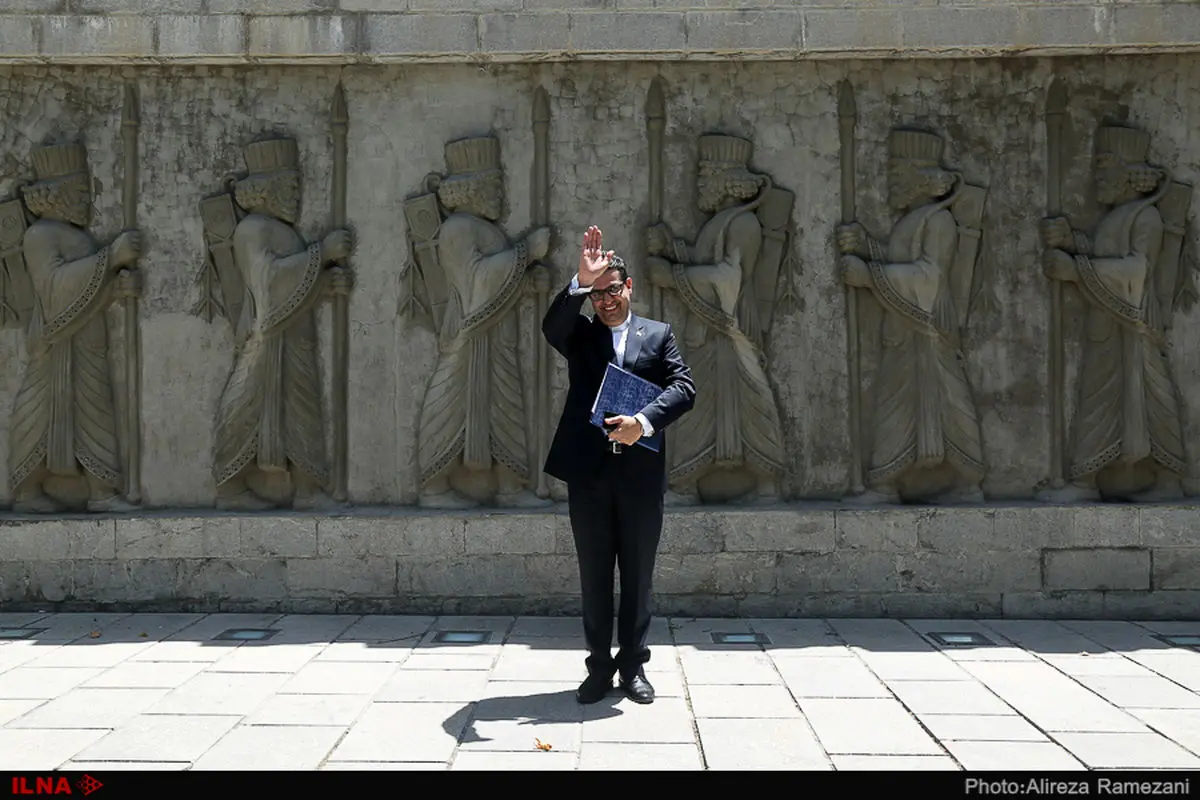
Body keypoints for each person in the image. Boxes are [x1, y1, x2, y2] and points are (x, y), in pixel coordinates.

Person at [542, 225, 696, 705]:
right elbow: (552, 327)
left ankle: (633, 668)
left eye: (613, 290)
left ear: (628, 288)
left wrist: (644, 423)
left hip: (638, 477)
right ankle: (598, 669)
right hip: (589, 474)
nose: (606, 300)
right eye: (598, 294)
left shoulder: (659, 335)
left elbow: (683, 387)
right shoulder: (582, 335)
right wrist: (579, 283)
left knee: (637, 574)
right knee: (593, 574)